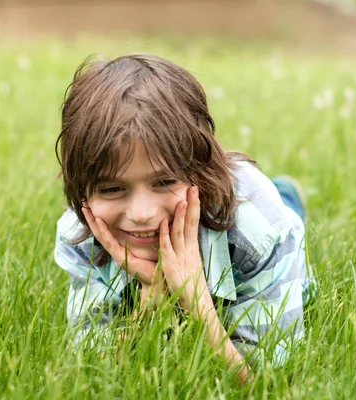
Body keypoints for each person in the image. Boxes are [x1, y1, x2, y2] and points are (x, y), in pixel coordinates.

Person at [53, 54, 315, 384]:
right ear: (82, 189)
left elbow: (267, 383)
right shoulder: (83, 231)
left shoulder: (260, 227)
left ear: (201, 170)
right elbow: (96, 372)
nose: (141, 214)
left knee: (285, 207)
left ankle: (287, 193)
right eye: (112, 188)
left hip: (253, 213)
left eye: (164, 181)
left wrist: (196, 300)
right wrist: (151, 299)